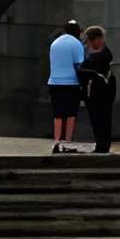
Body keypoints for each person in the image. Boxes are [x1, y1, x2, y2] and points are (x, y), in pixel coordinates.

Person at [48, 20, 87, 154]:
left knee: (58, 114)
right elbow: (79, 66)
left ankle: (57, 141)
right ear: (77, 31)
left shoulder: (55, 43)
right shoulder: (77, 44)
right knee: (71, 113)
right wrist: (84, 84)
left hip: (54, 83)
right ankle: (68, 142)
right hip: (71, 83)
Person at [80, 24, 118, 155]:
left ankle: (102, 145)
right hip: (98, 91)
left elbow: (86, 70)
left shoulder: (102, 55)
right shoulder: (99, 53)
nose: (88, 44)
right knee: (99, 119)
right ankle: (101, 144)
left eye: (89, 41)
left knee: (101, 119)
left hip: (100, 91)